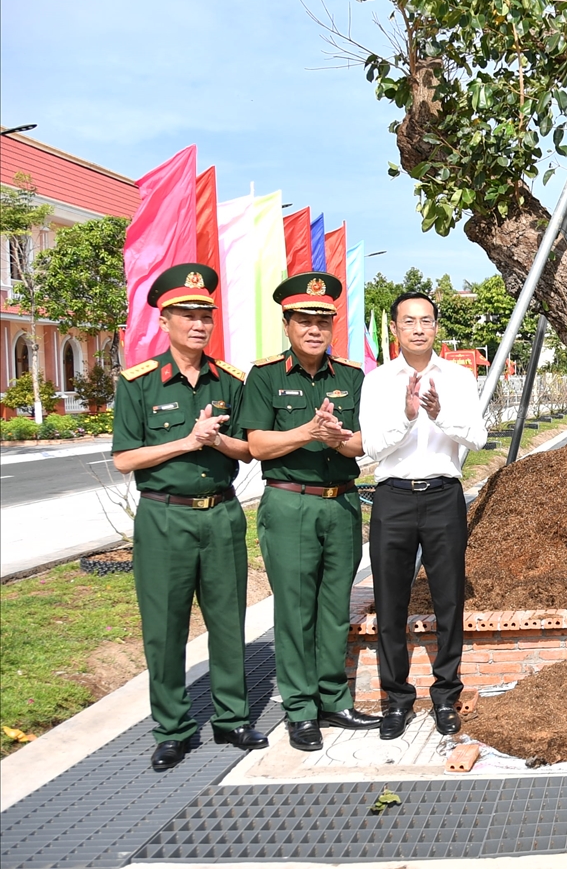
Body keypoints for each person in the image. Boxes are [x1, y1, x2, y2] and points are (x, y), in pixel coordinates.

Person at [112, 265, 264, 772]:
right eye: (187, 315)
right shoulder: (139, 383)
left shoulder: (230, 381)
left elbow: (246, 449)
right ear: (164, 320)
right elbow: (124, 459)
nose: (198, 324)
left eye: (205, 315)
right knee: (165, 627)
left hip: (220, 514)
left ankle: (232, 717)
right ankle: (173, 728)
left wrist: (217, 440)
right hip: (164, 518)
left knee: (227, 619)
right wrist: (185, 441)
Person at [241, 273, 379, 751]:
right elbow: (256, 443)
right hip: (290, 503)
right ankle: (300, 709)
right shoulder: (265, 377)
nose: (314, 329)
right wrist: (307, 432)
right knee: (296, 611)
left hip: (341, 501)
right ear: (287, 324)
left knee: (333, 608)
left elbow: (363, 442)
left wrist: (338, 437)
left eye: (323, 321)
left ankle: (334, 698)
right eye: (305, 320)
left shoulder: (351, 377)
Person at [360, 291, 487, 739]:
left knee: (448, 600)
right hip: (392, 497)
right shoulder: (376, 380)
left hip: (443, 496)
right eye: (409, 321)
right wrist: (409, 416)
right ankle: (396, 699)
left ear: (436, 327)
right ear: (395, 328)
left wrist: (439, 413)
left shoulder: (458, 377)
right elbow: (372, 447)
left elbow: (478, 437)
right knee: (390, 601)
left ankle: (446, 695)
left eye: (426, 320)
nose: (418, 328)